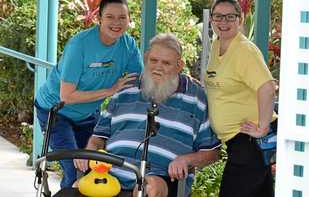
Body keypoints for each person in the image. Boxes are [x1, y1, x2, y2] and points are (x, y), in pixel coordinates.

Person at [74, 33, 220, 197]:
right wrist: (89, 152)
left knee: (147, 190)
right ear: (145, 58)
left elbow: (212, 152)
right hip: (111, 172)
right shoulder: (125, 88)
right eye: (153, 60)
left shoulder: (196, 98)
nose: (158, 67)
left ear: (180, 65)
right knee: (76, 187)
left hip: (161, 177)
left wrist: (186, 160)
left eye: (166, 63)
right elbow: (98, 137)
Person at [34, 0, 143, 188]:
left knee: (95, 167)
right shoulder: (80, 45)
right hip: (57, 110)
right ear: (99, 18)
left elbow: (138, 83)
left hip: (88, 112)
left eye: (122, 17)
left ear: (129, 20)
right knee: (73, 168)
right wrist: (110, 90)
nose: (116, 22)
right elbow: (66, 96)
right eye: (110, 17)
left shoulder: (128, 45)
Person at [204, 0, 276, 197]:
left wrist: (262, 127)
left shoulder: (244, 50)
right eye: (218, 16)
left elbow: (268, 87)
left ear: (240, 19)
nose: (223, 22)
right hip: (238, 143)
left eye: (230, 17)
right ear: (211, 20)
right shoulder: (218, 45)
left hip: (249, 142)